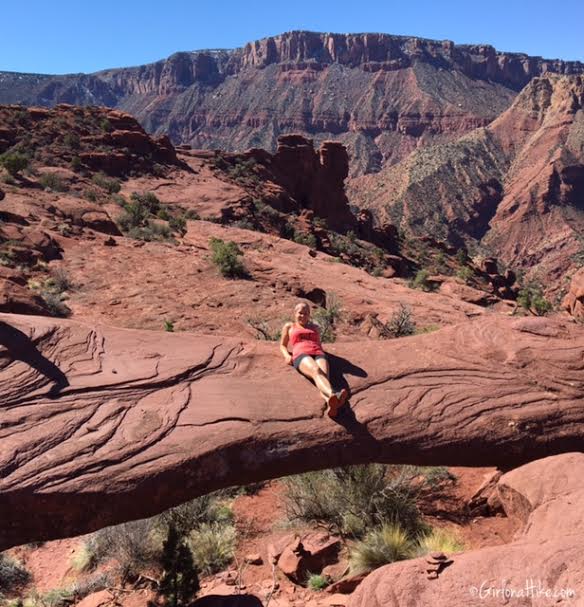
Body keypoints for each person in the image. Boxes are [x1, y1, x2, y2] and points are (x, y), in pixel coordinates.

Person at [280, 302, 348, 418]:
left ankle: (331, 404)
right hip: (301, 354)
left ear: (309, 315)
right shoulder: (289, 326)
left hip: (318, 353)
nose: (303, 316)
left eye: (306, 314)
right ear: (295, 313)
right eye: (300, 313)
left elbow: (318, 343)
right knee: (316, 371)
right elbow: (282, 345)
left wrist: (323, 353)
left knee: (324, 377)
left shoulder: (315, 327)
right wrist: (287, 355)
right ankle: (334, 394)